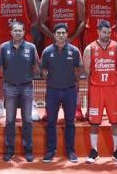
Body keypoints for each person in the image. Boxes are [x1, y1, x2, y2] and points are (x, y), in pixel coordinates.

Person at [83, 20, 117, 164]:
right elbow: (87, 71)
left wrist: (110, 77)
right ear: (98, 31)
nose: (107, 35)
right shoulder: (89, 48)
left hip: (112, 89)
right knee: (94, 122)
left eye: (109, 32)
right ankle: (94, 151)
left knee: (115, 122)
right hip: (96, 90)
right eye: (104, 32)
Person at [41, 23, 82, 163]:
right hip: (52, 91)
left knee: (70, 122)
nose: (61, 35)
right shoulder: (47, 51)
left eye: (63, 33)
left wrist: (73, 80)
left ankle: (71, 151)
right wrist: (51, 80)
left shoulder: (74, 51)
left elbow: (80, 68)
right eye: (58, 33)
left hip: (69, 91)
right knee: (51, 122)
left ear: (67, 34)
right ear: (54, 35)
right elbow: (43, 70)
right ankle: (50, 151)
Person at [0, 21, 39, 162]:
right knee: (9, 121)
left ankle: (28, 150)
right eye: (15, 30)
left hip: (27, 87)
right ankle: (10, 150)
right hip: (10, 88)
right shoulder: (3, 48)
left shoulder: (31, 47)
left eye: (20, 30)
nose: (17, 33)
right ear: (11, 32)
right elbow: (1, 69)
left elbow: (35, 67)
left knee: (27, 120)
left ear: (24, 32)